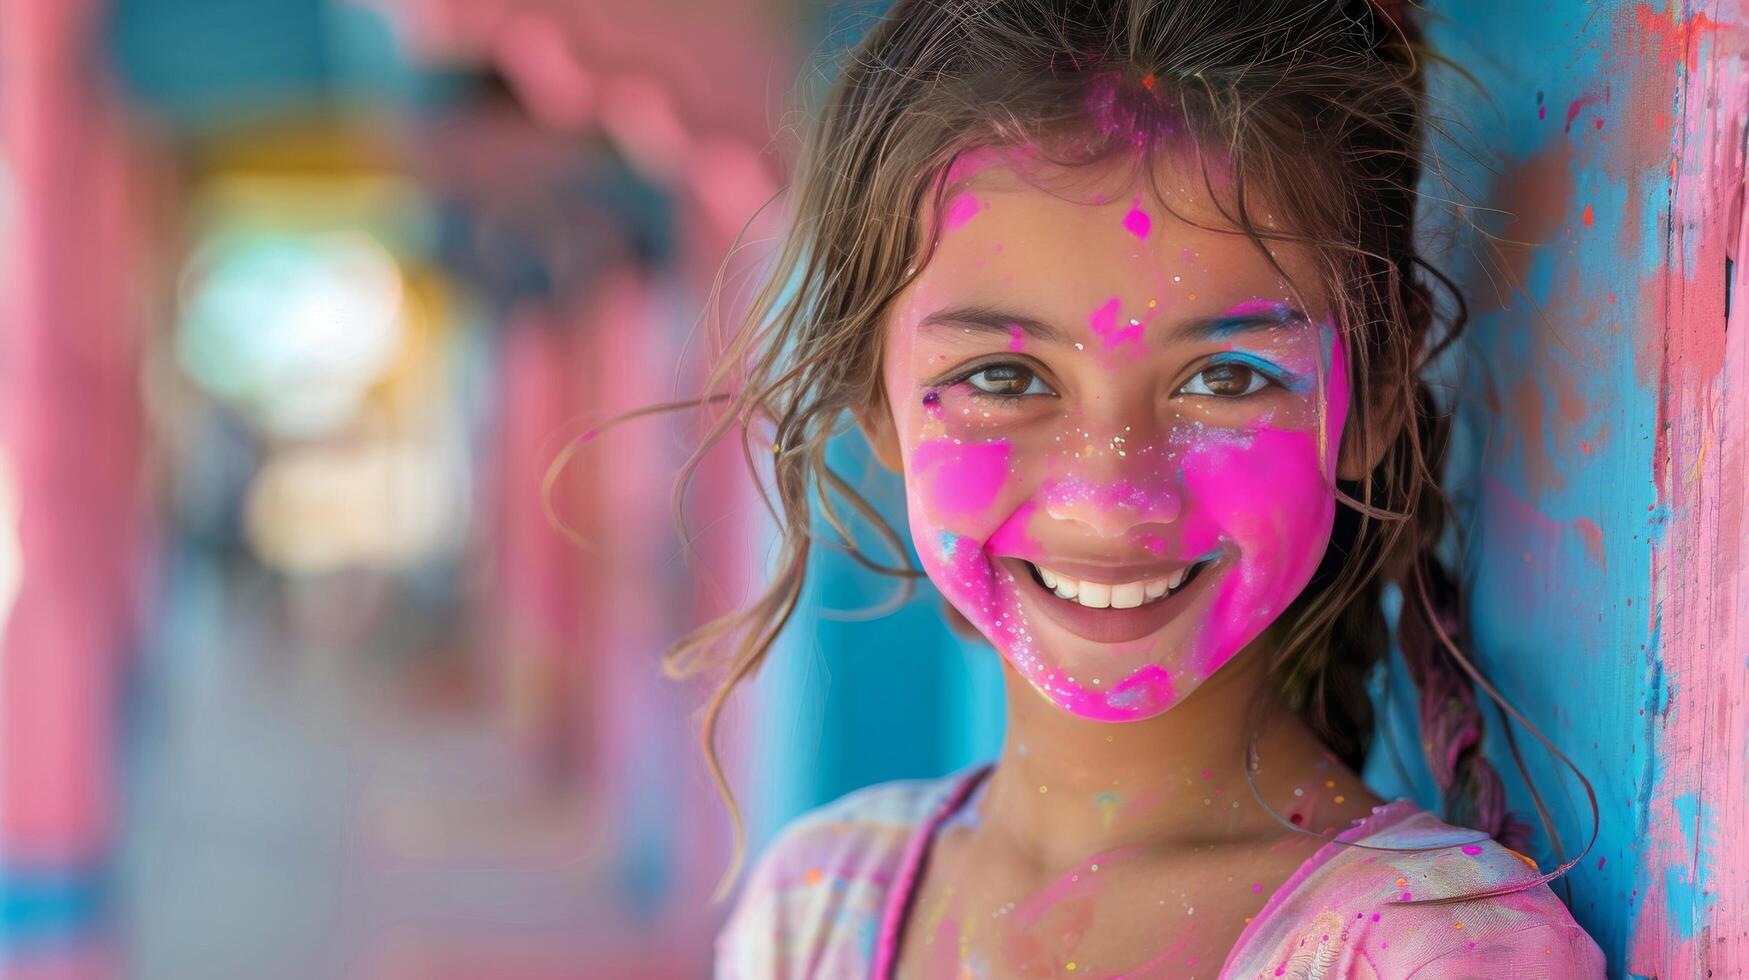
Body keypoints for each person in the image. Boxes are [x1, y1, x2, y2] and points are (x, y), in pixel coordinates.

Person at [684, 1, 1609, 975]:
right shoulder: (814, 905)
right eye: (1006, 379)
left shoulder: (1433, 952)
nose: (1110, 492)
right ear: (878, 404)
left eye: (1228, 378)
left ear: (1373, 393)